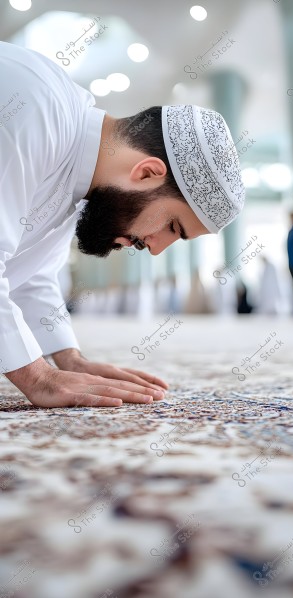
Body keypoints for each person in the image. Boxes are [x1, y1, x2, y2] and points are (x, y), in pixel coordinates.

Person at [0, 42, 245, 409]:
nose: (157, 247)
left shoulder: (79, 178)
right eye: (173, 227)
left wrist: (69, 359)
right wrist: (36, 376)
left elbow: (32, 278)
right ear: (147, 172)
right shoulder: (35, 105)